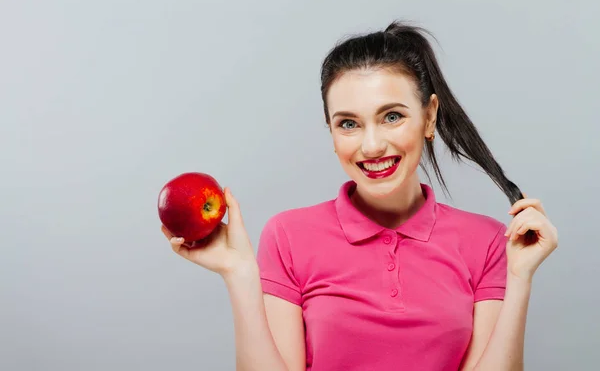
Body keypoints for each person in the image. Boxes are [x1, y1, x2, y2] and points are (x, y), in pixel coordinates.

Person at [161, 21, 559, 371]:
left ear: (430, 116)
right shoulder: (288, 235)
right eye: (348, 123)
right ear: (331, 132)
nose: (371, 146)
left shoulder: (489, 242)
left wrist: (520, 278)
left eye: (392, 116)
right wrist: (240, 274)